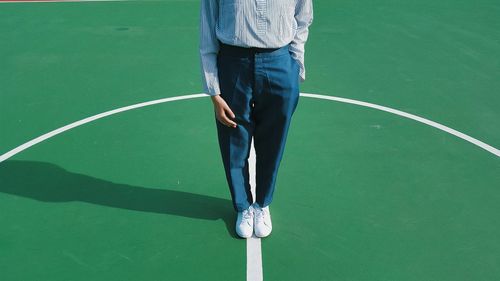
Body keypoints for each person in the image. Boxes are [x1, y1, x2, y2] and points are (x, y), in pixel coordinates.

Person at [199, 0, 313, 238]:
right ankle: (243, 206)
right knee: (233, 138)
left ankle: (262, 204)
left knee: (273, 141)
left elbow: (303, 17)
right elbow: (207, 28)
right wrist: (213, 91)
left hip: (279, 62)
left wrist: (296, 65)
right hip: (233, 63)